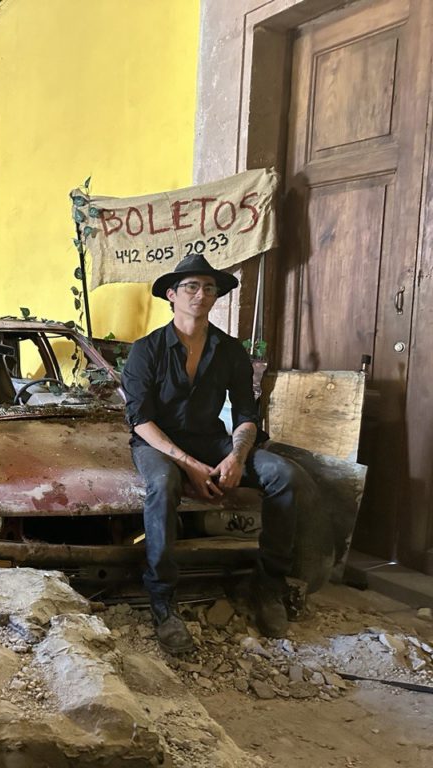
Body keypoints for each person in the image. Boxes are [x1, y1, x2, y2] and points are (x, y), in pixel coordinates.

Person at [121, 253, 316, 654]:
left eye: (209, 288)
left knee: (286, 475)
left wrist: (236, 458)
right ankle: (162, 599)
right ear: (172, 295)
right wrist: (190, 466)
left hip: (213, 441)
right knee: (162, 482)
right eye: (192, 286)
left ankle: (268, 584)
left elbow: (246, 414)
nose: (201, 294)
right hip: (158, 443)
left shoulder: (229, 350)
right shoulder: (147, 350)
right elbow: (140, 420)